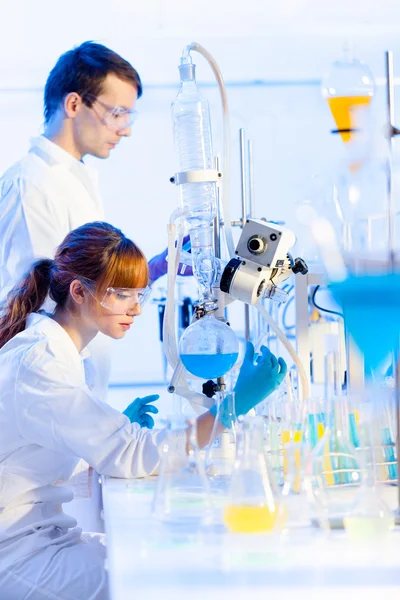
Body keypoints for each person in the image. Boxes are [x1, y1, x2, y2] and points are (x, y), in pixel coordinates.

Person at [0, 221, 287, 600]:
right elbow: (130, 454)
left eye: (140, 294)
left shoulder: (52, 348)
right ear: (79, 292)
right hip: (18, 555)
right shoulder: (41, 361)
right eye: (122, 295)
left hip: (41, 537)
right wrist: (234, 405)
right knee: (157, 582)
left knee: (160, 561)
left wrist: (112, 426)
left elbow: (32, 452)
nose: (135, 308)